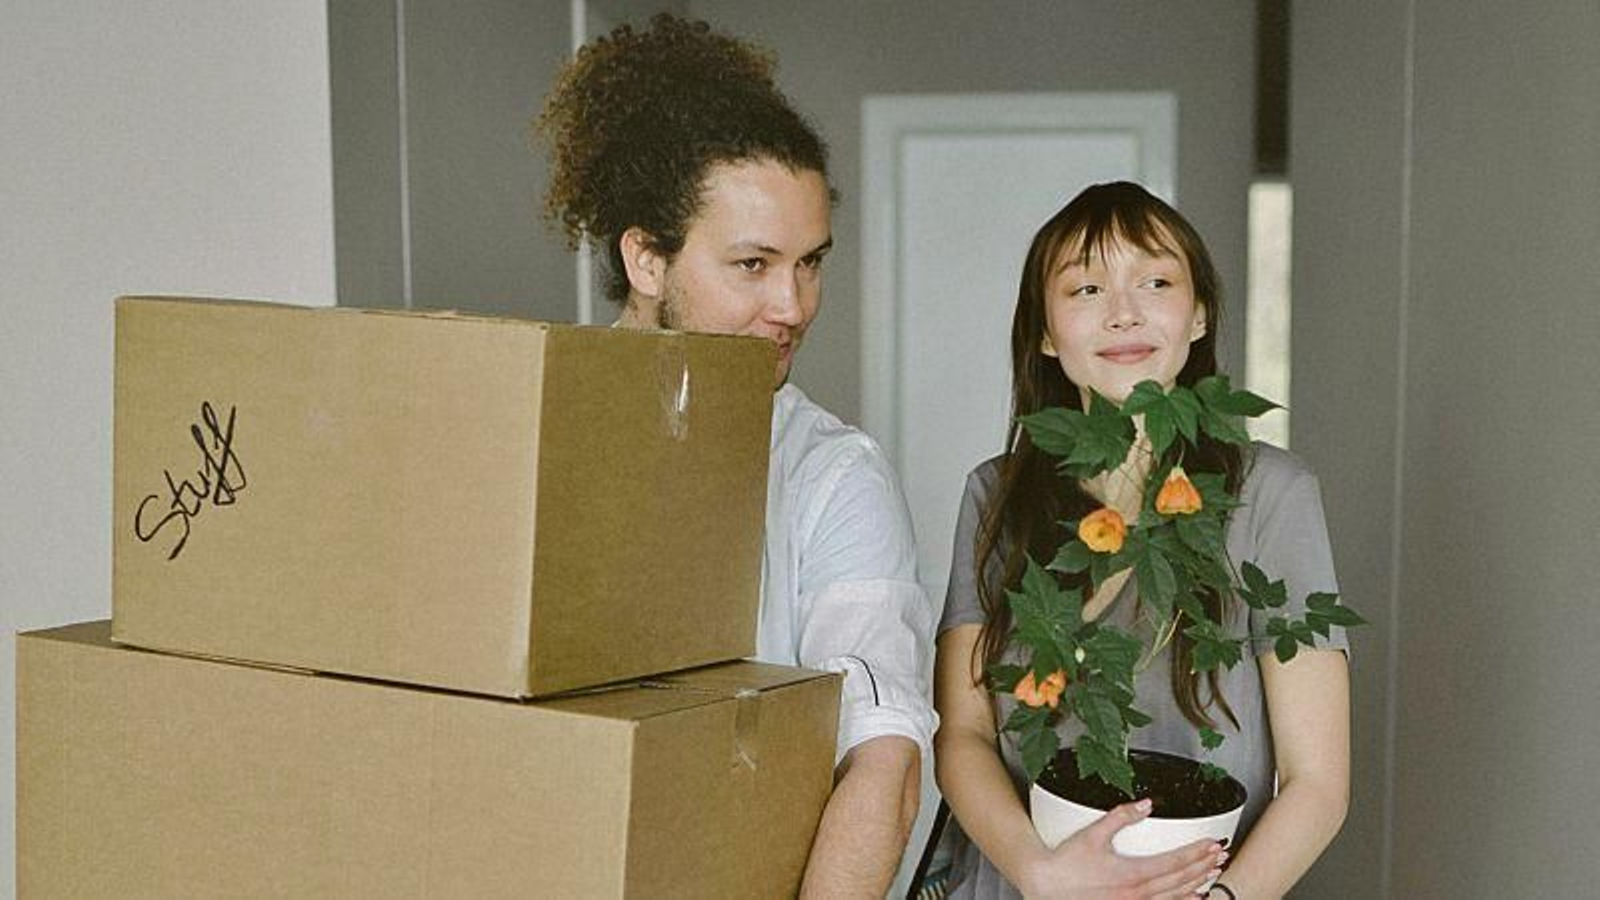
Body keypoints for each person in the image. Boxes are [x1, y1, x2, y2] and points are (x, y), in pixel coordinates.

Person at [537, 14, 936, 898]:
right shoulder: (526, 438)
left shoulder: (836, 476)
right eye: (752, 265)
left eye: (810, 264)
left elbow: (885, 761)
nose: (792, 306)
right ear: (646, 258)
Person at [934, 182, 1350, 899]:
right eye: (1087, 288)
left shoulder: (1270, 494)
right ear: (1043, 331)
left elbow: (1318, 782)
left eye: (1156, 280)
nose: (1123, 311)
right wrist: (1039, 874)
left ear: (1198, 316)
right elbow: (964, 735)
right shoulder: (996, 496)